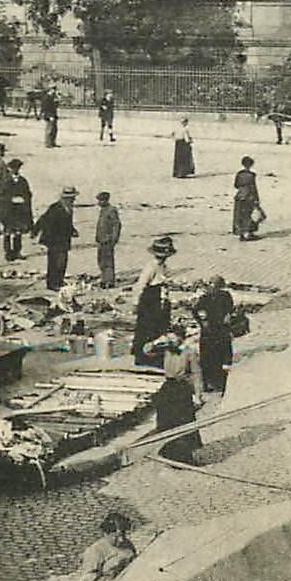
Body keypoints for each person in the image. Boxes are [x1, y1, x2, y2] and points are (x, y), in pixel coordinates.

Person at [143, 325, 204, 463]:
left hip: (182, 388)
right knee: (165, 419)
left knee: (183, 420)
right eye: (169, 338)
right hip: (168, 387)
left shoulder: (190, 352)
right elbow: (145, 351)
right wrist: (157, 341)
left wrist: (198, 395)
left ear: (181, 338)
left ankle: (185, 455)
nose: (171, 341)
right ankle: (168, 451)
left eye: (173, 338)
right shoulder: (166, 350)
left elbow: (196, 374)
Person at [132, 237, 175, 366]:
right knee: (147, 328)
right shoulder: (150, 267)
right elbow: (140, 285)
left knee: (158, 327)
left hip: (158, 298)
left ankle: (154, 355)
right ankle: (143, 357)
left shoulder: (163, 266)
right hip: (150, 299)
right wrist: (135, 302)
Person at [76, 513, 137, 581]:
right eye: (116, 536)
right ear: (105, 534)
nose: (121, 540)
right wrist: (106, 579)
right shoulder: (96, 550)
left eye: (123, 535)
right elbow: (87, 579)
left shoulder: (127, 544)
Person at [194, 276, 237, 393]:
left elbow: (230, 309)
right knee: (207, 358)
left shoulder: (225, 296)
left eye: (215, 287)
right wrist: (203, 321)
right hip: (209, 333)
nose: (212, 289)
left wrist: (228, 315)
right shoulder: (204, 299)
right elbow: (197, 311)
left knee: (222, 356)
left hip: (221, 331)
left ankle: (221, 384)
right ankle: (208, 383)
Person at [33, 186, 78, 290]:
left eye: (73, 198)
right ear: (65, 198)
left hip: (64, 240)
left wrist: (73, 230)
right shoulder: (55, 208)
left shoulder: (69, 209)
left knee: (62, 262)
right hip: (54, 240)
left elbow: (68, 224)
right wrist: (35, 231)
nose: (73, 201)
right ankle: (52, 284)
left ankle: (59, 281)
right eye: (71, 198)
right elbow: (43, 219)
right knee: (54, 263)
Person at [0, 158, 33, 261]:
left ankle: (17, 251)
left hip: (20, 209)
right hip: (9, 210)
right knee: (8, 231)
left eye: (17, 168)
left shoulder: (23, 180)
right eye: (13, 168)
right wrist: (10, 199)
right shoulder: (6, 181)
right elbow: (1, 195)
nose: (15, 170)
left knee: (18, 231)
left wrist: (24, 199)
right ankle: (8, 253)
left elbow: (28, 193)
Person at [94, 191, 122, 288]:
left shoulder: (111, 210)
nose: (99, 202)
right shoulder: (103, 210)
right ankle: (104, 279)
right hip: (101, 240)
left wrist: (113, 239)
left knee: (108, 262)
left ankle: (109, 281)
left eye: (101, 200)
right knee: (101, 261)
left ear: (106, 200)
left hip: (108, 241)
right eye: (99, 200)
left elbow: (116, 225)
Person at [232, 155, 261, 241]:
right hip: (249, 196)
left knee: (239, 215)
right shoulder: (252, 175)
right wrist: (257, 198)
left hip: (239, 195)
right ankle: (248, 233)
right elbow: (253, 187)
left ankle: (241, 233)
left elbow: (236, 185)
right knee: (248, 215)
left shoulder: (239, 174)